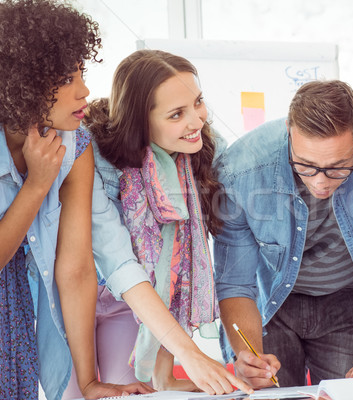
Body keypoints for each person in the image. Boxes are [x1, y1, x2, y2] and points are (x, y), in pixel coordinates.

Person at [214, 80, 353, 388]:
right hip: (272, 309)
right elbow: (235, 280)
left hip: (351, 302)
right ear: (289, 132)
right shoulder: (239, 169)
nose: (320, 182)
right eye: (306, 166)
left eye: (338, 167)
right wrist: (248, 356)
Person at [0, 0, 152, 399]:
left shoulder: (74, 144)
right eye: (67, 78)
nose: (84, 90)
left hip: (15, 325)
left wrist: (87, 381)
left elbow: (77, 268)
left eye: (82, 73)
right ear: (21, 82)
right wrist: (36, 187)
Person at [84, 49, 252, 396]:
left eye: (198, 102)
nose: (197, 121)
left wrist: (168, 375)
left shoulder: (202, 148)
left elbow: (173, 267)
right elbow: (121, 262)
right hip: (84, 292)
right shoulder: (96, 157)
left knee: (134, 390)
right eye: (177, 114)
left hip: (129, 310)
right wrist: (188, 354)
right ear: (139, 122)